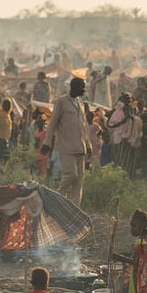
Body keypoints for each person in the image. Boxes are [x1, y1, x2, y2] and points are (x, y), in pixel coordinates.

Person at [41, 76, 91, 207]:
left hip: (80, 147)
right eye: (82, 87)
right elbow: (52, 124)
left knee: (79, 182)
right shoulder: (61, 102)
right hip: (66, 146)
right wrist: (47, 142)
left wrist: (88, 145)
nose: (84, 90)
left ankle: (74, 209)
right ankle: (56, 201)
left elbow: (83, 127)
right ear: (74, 87)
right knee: (71, 175)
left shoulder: (81, 103)